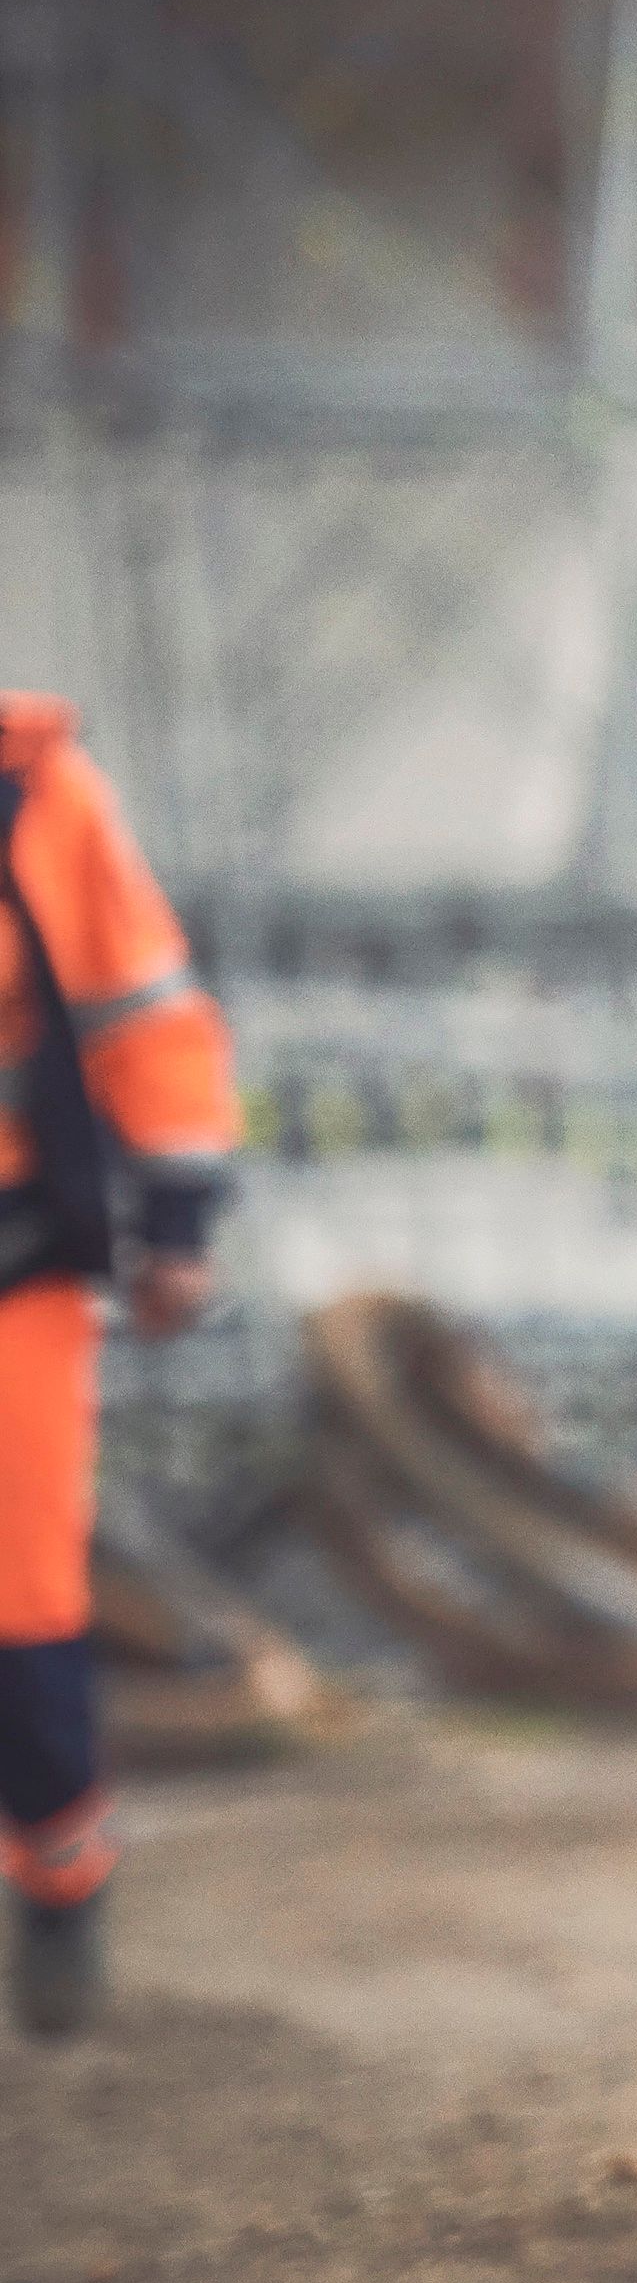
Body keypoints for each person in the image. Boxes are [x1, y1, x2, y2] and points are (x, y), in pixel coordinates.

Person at [0, 696, 241, 2044]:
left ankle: (61, 1876)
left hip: (15, 1266)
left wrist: (179, 1221)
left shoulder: (33, 791)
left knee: (20, 1603)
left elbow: (144, 1009)